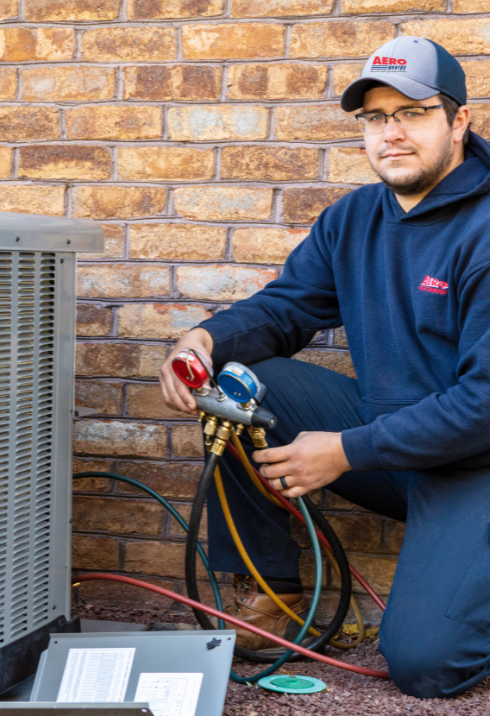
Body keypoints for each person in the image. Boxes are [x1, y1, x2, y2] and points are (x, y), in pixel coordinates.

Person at [158, 36, 490, 699]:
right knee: (237, 384)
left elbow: (484, 403)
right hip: (394, 447)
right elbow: (285, 308)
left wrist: (344, 450)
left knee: (424, 666)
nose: (390, 133)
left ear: (458, 121)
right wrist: (204, 339)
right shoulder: (354, 219)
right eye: (374, 118)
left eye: (412, 112)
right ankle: (274, 596)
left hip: (475, 468)